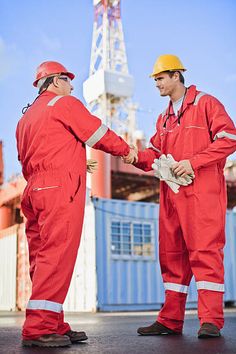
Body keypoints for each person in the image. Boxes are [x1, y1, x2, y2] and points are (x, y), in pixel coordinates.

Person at [16, 61, 137, 348]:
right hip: (60, 190)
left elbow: (35, 156)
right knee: (57, 256)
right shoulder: (64, 104)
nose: (72, 87)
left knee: (42, 258)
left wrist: (74, 162)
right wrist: (128, 151)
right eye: (69, 81)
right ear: (56, 82)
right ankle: (39, 328)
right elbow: (98, 134)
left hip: (33, 189)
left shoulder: (25, 118)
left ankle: (53, 320)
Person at [123, 54, 236, 338]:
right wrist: (136, 156)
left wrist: (193, 161)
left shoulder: (206, 104)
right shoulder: (164, 118)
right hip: (172, 196)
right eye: (155, 80)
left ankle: (211, 320)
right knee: (172, 256)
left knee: (205, 253)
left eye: (160, 78)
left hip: (203, 194)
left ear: (176, 75)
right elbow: (156, 154)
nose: (157, 84)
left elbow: (230, 139)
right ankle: (170, 320)